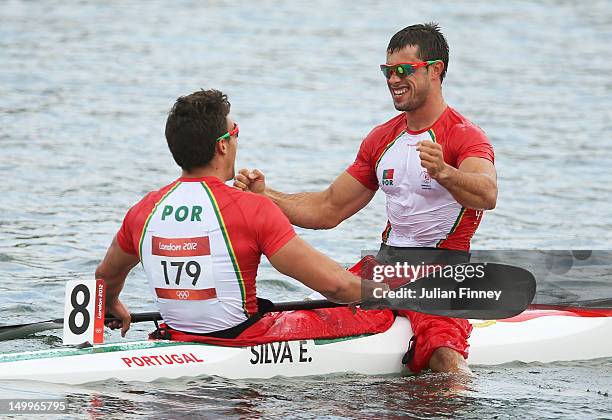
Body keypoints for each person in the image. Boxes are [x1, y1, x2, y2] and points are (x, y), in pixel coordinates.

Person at [234, 23, 497, 373]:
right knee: (301, 318)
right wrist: (265, 196)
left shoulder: (464, 135)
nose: (393, 79)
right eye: (387, 71)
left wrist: (446, 173)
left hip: (442, 275)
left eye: (404, 70)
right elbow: (328, 209)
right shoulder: (381, 139)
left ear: (436, 70)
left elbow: (487, 193)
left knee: (445, 360)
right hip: (386, 268)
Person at [95, 89, 382, 339]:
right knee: (381, 308)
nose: (236, 140)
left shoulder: (143, 210)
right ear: (222, 145)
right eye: (235, 133)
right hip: (239, 342)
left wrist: (110, 303)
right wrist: (404, 297)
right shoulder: (252, 208)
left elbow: (106, 276)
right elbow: (335, 285)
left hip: (176, 335)